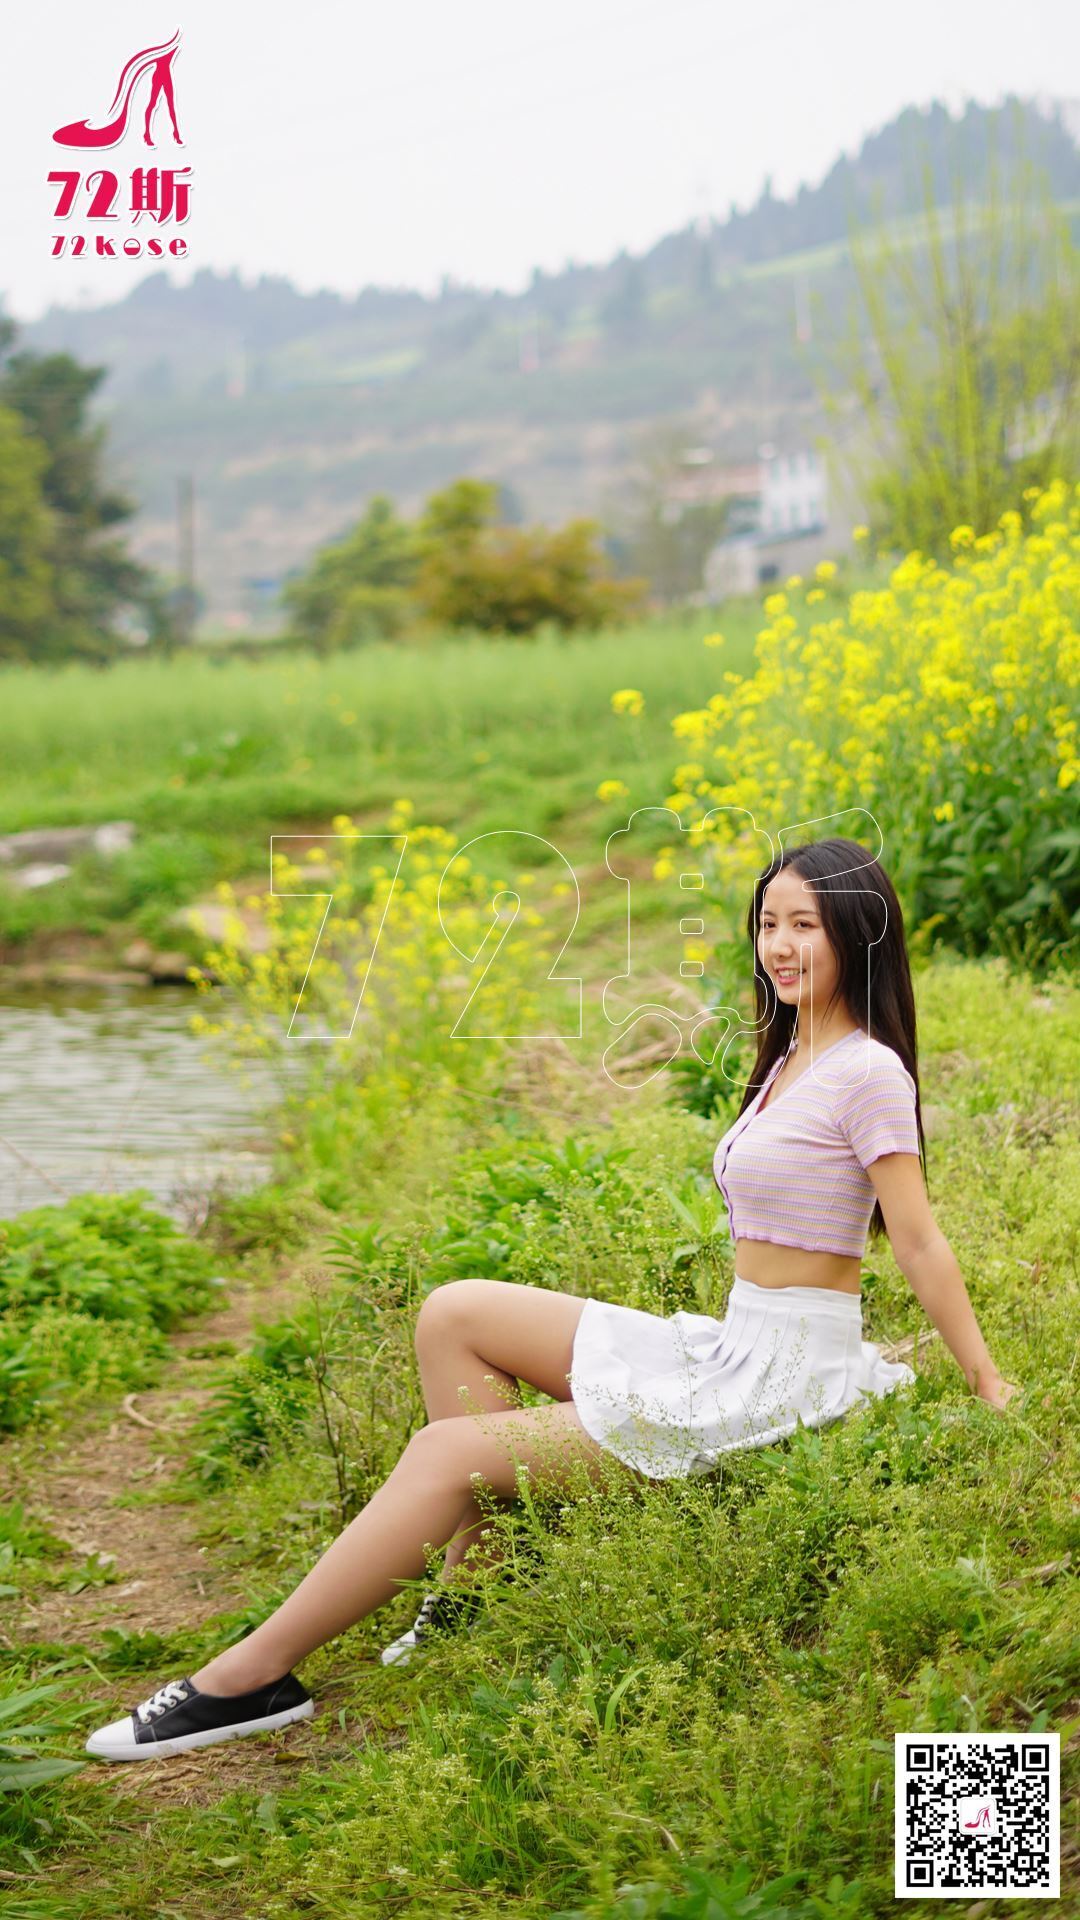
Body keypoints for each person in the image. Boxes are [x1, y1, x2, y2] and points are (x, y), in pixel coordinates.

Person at [84, 836, 1018, 1761]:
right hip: (735, 1343)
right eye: (768, 922)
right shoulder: (790, 1055)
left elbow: (920, 1238)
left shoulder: (865, 1070)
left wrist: (985, 1381)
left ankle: (250, 1678)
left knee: (448, 1451)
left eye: (803, 925)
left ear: (856, 934)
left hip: (781, 1381)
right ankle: (480, 1585)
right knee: (453, 1311)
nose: (778, 944)